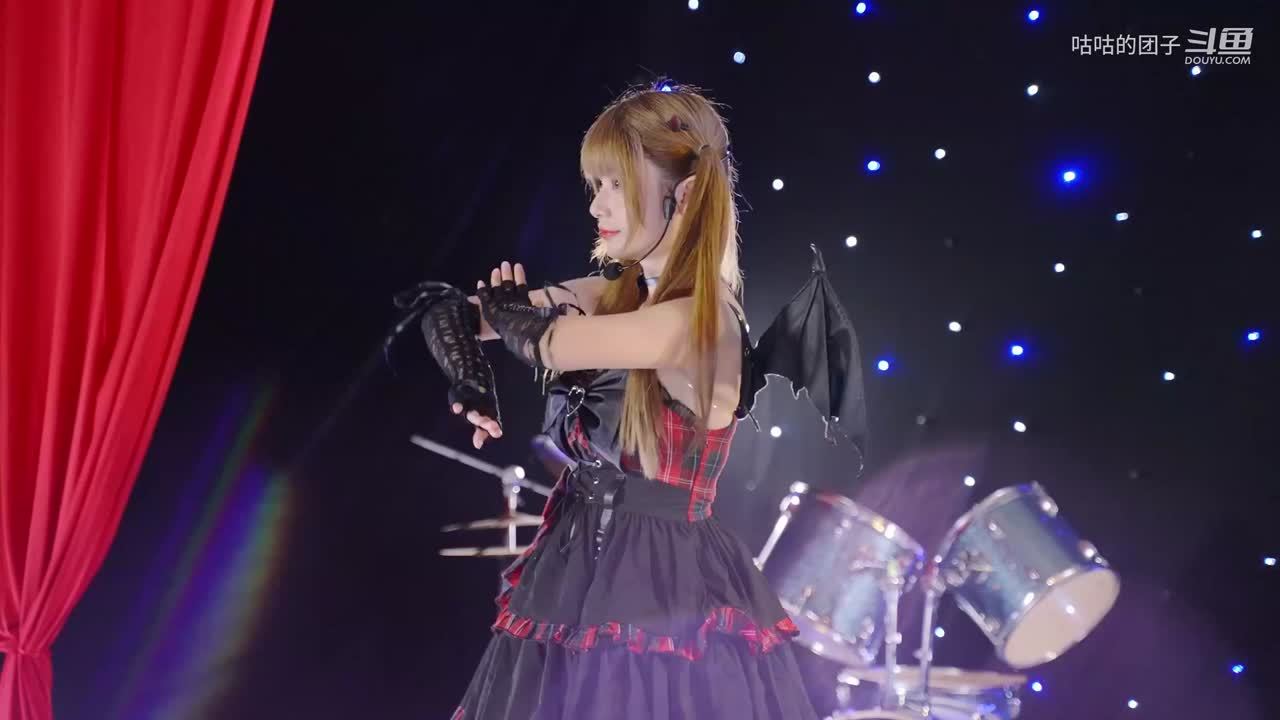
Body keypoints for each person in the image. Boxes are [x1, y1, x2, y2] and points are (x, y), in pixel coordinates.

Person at [417, 83, 820, 720]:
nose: (597, 204)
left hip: (663, 587)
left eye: (615, 184)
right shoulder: (612, 294)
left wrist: (514, 321)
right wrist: (470, 374)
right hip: (573, 566)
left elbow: (551, 343)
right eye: (595, 185)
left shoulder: (701, 321)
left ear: (684, 193)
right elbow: (450, 314)